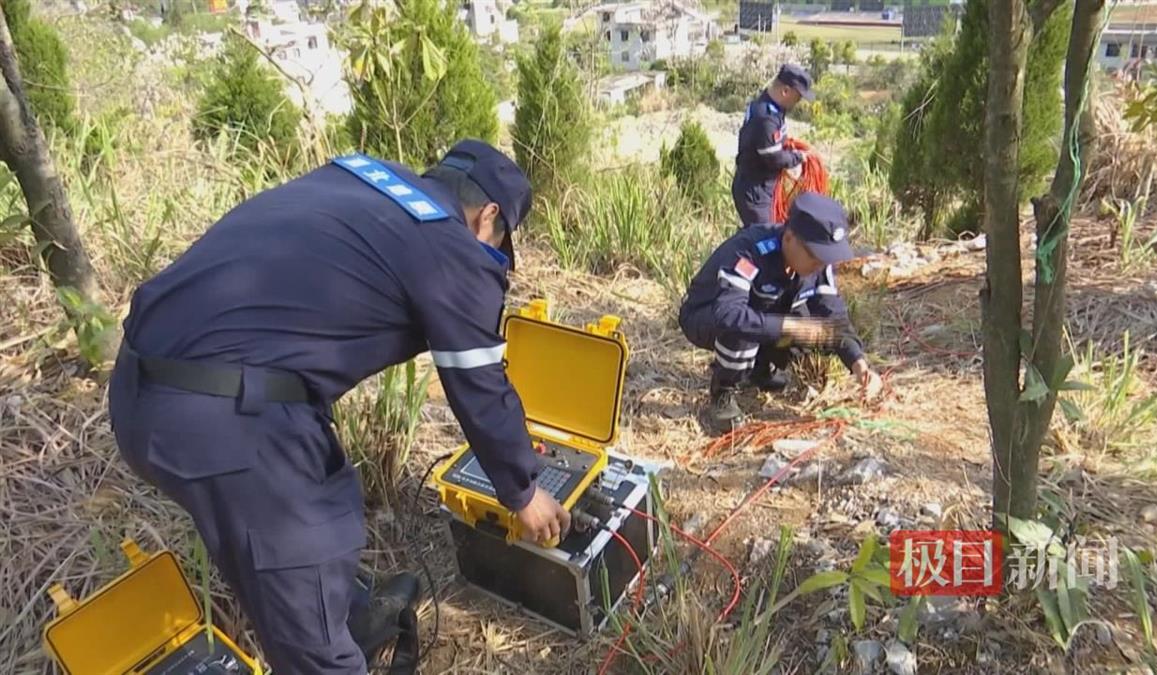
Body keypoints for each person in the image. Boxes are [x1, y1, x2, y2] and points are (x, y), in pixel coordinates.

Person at [106, 140, 571, 675]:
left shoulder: (362, 177)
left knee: (315, 523)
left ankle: (344, 617)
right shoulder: (452, 245)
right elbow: (478, 383)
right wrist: (523, 492)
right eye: (500, 242)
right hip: (224, 419)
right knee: (308, 585)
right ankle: (328, 641)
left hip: (138, 387)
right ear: (488, 216)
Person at [678, 191, 882, 429]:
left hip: (762, 314)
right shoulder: (749, 252)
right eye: (814, 255)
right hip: (705, 316)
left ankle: (759, 370)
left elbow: (834, 318)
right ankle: (723, 390)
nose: (819, 264)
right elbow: (728, 314)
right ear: (789, 237)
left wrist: (859, 364)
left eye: (826, 257)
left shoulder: (819, 265)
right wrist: (789, 327)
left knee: (811, 331)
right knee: (746, 327)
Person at [731, 64, 815, 228]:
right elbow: (774, 158)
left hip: (759, 187)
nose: (798, 102)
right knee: (764, 236)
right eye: (798, 97)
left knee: (761, 233)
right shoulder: (766, 117)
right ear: (785, 91)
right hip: (755, 192)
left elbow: (773, 142)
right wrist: (798, 157)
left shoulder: (770, 106)